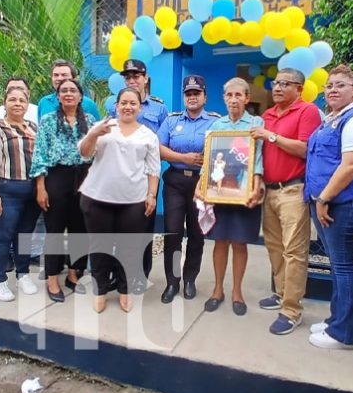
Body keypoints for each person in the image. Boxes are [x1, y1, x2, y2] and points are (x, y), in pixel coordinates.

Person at [304, 65, 353, 349]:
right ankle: (338, 319)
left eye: (340, 85)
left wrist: (323, 199)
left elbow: (352, 165)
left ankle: (345, 334)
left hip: (342, 205)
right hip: (325, 203)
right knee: (337, 266)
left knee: (344, 267)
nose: (332, 89)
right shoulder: (332, 119)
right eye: (329, 85)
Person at [249, 68, 321, 334]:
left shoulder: (307, 111)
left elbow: (304, 149)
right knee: (275, 247)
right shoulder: (267, 115)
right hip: (269, 190)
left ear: (299, 89)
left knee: (294, 251)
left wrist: (271, 136)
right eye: (275, 83)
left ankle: (292, 310)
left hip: (293, 190)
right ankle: (280, 293)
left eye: (284, 84)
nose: (277, 87)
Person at [78, 87, 161, 313]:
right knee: (99, 247)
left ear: (140, 107)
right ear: (116, 105)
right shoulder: (104, 127)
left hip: (133, 201)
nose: (128, 107)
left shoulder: (148, 136)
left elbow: (154, 169)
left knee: (129, 247)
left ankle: (125, 290)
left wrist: (151, 195)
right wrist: (94, 133)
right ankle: (100, 291)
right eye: (124, 102)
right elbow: (84, 152)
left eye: (133, 103)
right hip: (97, 198)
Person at [196, 77, 264, 316]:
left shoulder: (256, 123)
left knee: (240, 242)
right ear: (224, 98)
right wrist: (200, 184)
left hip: (244, 193)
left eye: (238, 95)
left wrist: (256, 186)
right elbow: (209, 158)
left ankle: (237, 292)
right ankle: (217, 290)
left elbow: (257, 159)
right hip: (219, 192)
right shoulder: (216, 126)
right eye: (229, 95)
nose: (233, 100)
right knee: (220, 241)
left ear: (246, 98)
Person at [30, 79, 95, 302]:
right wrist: (41, 187)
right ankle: (52, 278)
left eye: (73, 90)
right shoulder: (48, 121)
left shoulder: (90, 120)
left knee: (80, 229)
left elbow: (95, 152)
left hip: (84, 178)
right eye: (64, 90)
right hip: (57, 177)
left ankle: (74, 275)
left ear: (80, 96)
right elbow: (39, 155)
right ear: (58, 96)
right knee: (55, 230)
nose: (68, 93)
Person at [157, 75, 219, 303]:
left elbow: (224, 147)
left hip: (201, 184)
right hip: (174, 181)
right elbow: (159, 148)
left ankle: (190, 279)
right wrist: (183, 157)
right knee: (172, 233)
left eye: (196, 93)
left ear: (205, 97)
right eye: (188, 93)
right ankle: (172, 282)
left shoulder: (214, 121)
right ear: (184, 97)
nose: (192, 97)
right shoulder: (172, 121)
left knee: (196, 233)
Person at [0, 86, 40, 301]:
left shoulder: (34, 127)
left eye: (22, 100)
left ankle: (22, 274)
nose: (17, 103)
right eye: (12, 99)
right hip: (6, 191)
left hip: (31, 192)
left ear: (27, 104)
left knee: (24, 235)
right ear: (5, 103)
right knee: (2, 237)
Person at [110, 59, 168, 289]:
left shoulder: (159, 109)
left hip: (146, 179)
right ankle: (118, 274)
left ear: (146, 79)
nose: (132, 80)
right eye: (128, 77)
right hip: (119, 178)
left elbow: (162, 145)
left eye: (136, 76)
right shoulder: (114, 106)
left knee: (143, 231)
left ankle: (140, 276)